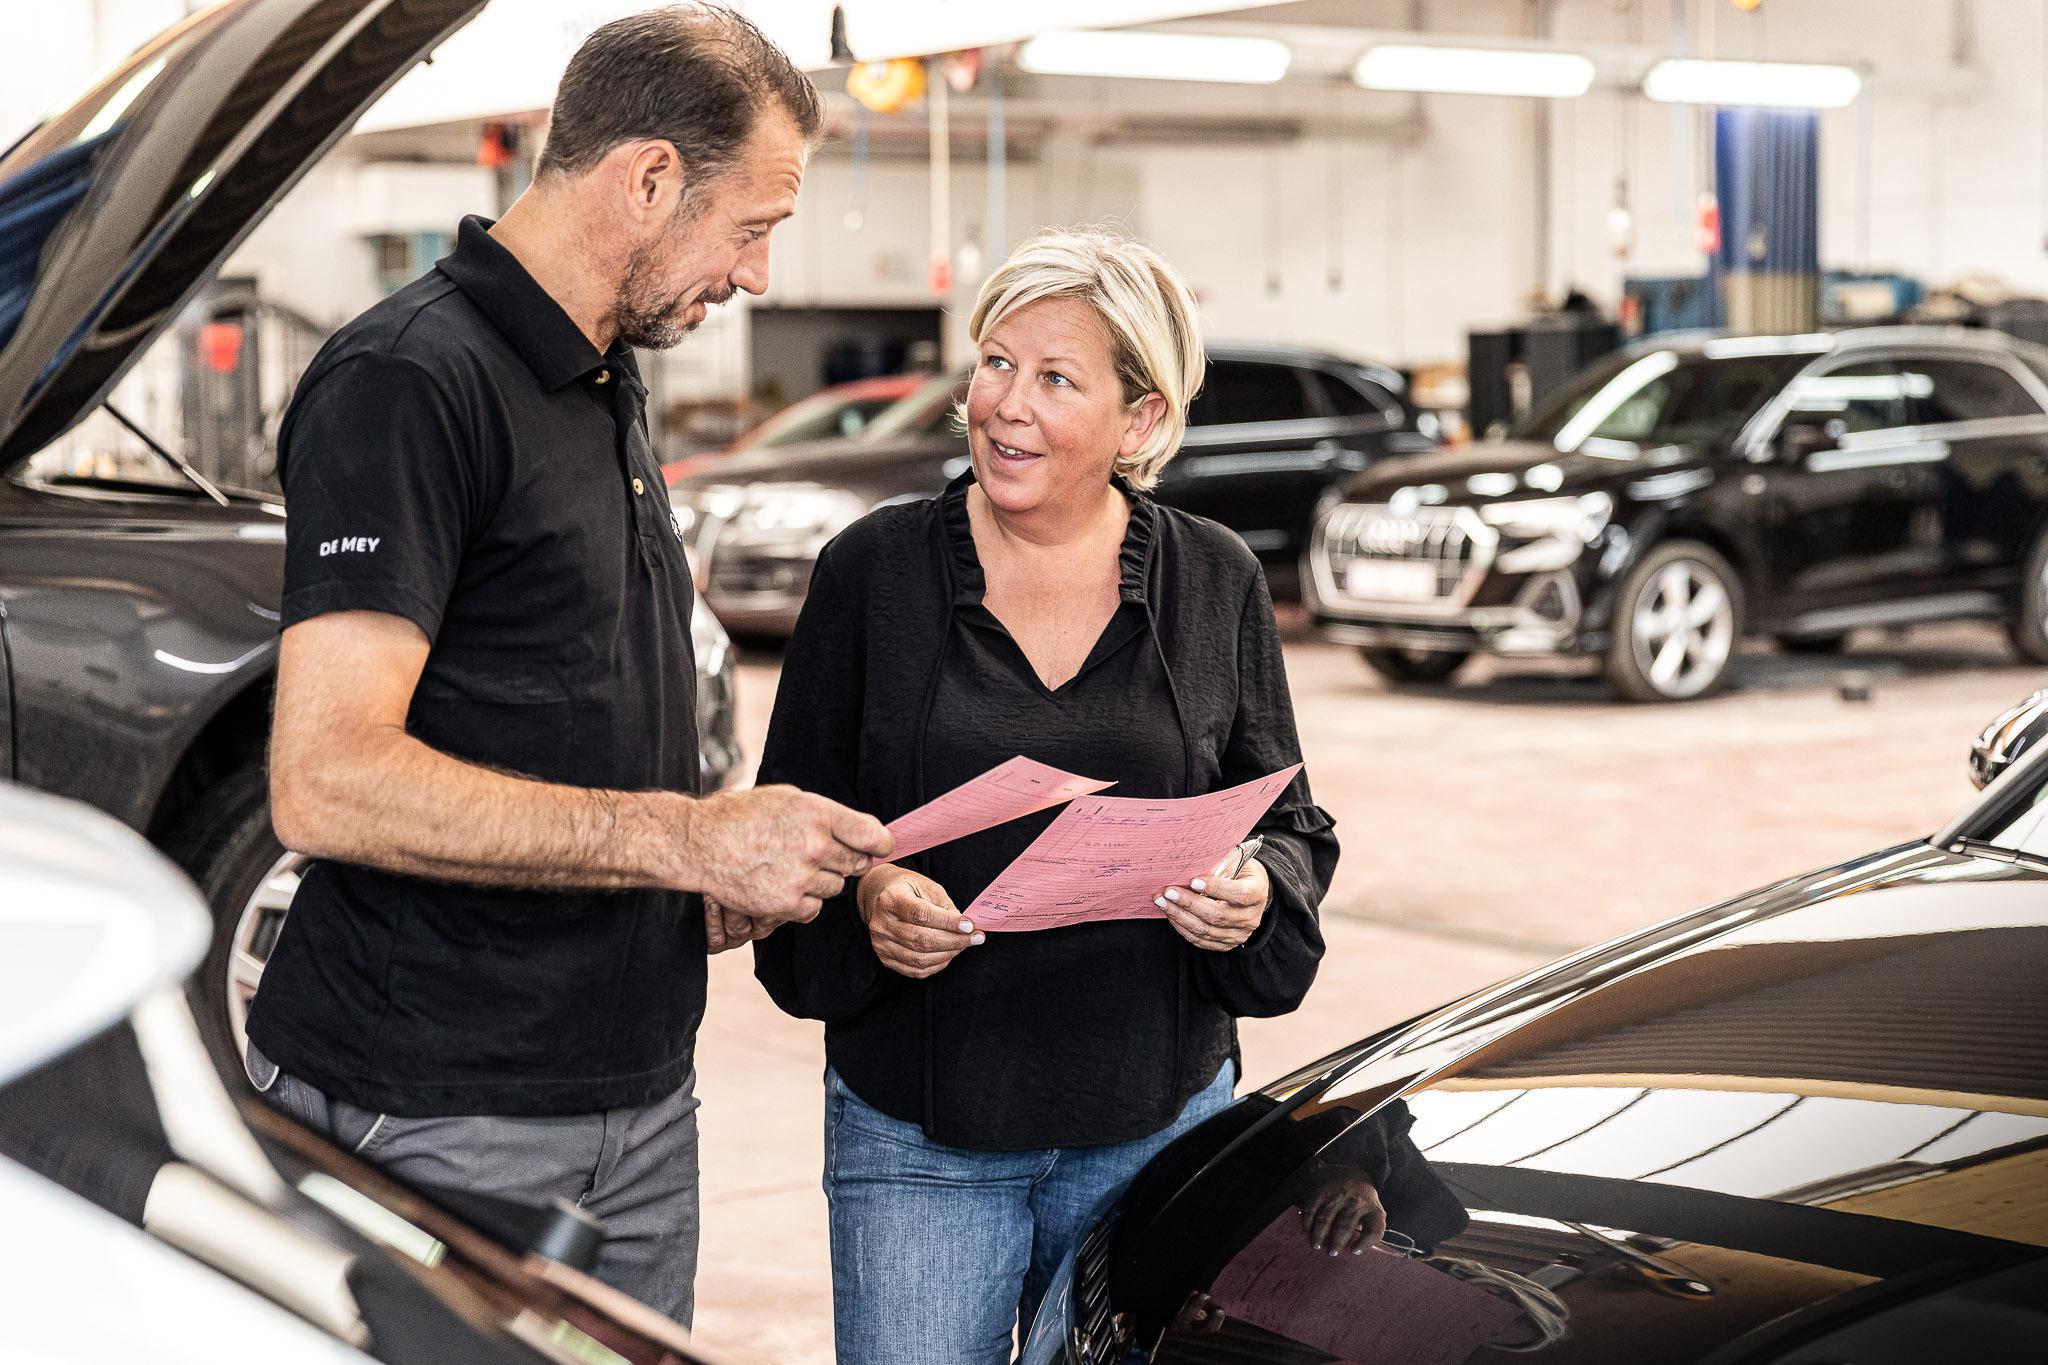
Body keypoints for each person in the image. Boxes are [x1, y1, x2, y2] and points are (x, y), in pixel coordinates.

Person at [248, 6, 892, 1325]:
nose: (758, 275)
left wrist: (692, 878)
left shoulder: (603, 373)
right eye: (752, 226)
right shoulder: (408, 381)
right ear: (649, 179)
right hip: (443, 1107)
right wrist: (685, 840)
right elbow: (327, 781)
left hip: (636, 1092)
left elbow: (550, 708)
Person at [751, 229, 1339, 1362]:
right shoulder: (872, 573)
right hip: (920, 1133)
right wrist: (868, 894)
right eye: (995, 363)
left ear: (1140, 420)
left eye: (1057, 379)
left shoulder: (1212, 579)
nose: (1006, 406)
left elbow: (1285, 822)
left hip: (1155, 1120)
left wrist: (1256, 889)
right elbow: (788, 825)